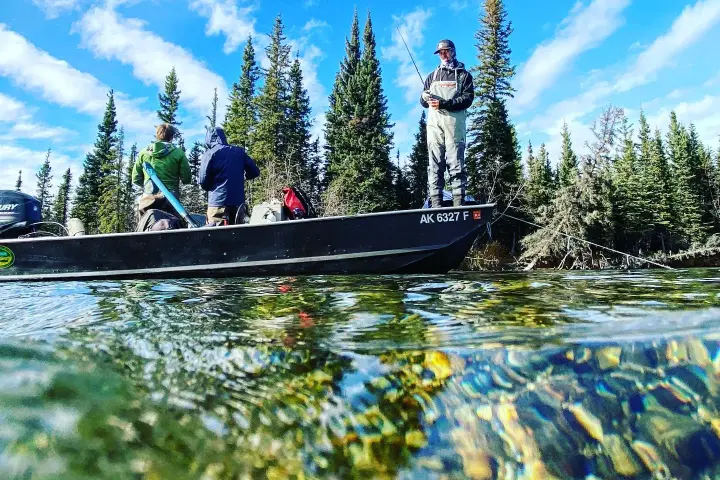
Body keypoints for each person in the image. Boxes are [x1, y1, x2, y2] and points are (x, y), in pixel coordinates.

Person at [420, 39, 474, 208]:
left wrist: (444, 104)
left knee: (456, 164)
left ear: (453, 51)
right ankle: (436, 206)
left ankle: (459, 205)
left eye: (446, 51)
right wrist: (424, 97)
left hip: (454, 127)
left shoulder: (464, 75)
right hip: (434, 127)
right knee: (435, 166)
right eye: (440, 53)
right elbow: (422, 102)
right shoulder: (432, 76)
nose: (443, 55)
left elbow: (467, 99)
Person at [199, 126, 260, 225]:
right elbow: (254, 172)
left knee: (214, 236)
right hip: (238, 203)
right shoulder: (239, 152)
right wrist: (243, 178)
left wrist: (210, 188)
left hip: (217, 202)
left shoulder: (210, 153)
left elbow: (203, 180)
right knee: (238, 234)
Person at [132, 123, 191, 215]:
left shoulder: (143, 153)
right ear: (172, 137)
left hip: (148, 198)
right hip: (171, 198)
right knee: (173, 225)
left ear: (157, 135)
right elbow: (187, 179)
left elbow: (135, 179)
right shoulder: (179, 153)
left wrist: (148, 186)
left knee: (145, 223)